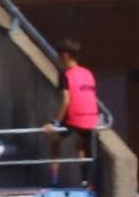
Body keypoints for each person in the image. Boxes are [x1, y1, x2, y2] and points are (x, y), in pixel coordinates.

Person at [43, 39, 101, 187]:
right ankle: (85, 181)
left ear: (65, 56)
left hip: (75, 117)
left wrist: (55, 123)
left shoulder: (65, 74)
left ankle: (54, 179)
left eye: (59, 55)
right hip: (91, 118)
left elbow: (66, 101)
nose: (57, 58)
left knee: (55, 140)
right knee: (81, 146)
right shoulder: (88, 73)